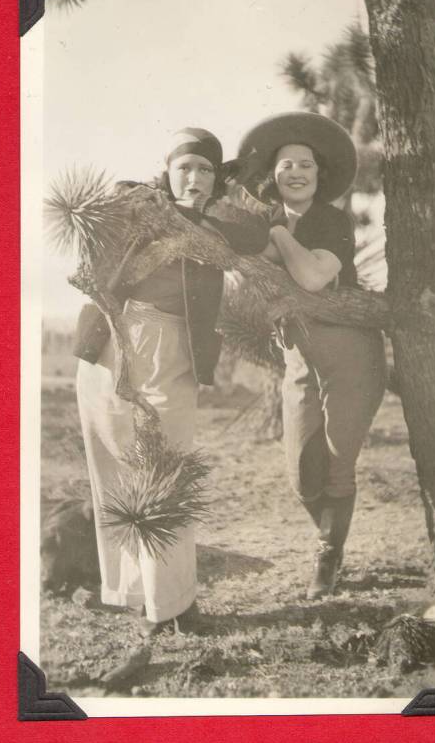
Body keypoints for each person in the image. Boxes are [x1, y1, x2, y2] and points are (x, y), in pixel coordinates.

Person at [76, 127, 268, 646]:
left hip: (167, 345)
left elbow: (256, 236)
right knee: (113, 465)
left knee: (167, 468)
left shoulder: (214, 228)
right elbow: (111, 202)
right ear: (167, 169)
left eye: (206, 169)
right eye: (185, 167)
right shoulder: (140, 205)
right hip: (108, 341)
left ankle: (173, 605)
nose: (195, 177)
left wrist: (225, 194)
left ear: (216, 179)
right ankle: (131, 591)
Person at [237, 112, 387, 599]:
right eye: (286, 166)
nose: (296, 173)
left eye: (306, 165)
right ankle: (329, 536)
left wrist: (279, 235)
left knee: (340, 463)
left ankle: (329, 554)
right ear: (273, 175)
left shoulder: (330, 219)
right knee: (303, 472)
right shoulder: (260, 223)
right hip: (300, 353)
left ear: (319, 175)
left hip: (349, 351)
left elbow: (313, 278)